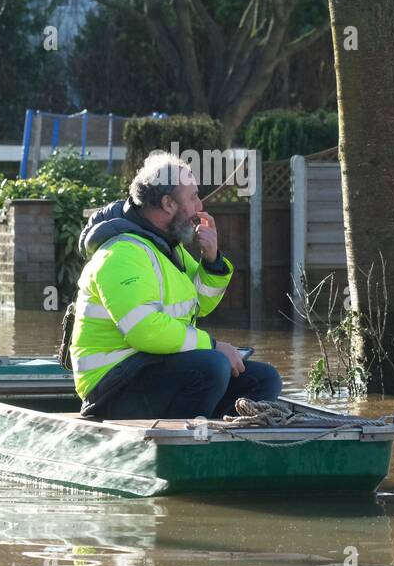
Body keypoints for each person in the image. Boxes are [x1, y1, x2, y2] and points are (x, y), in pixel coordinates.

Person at [70, 152, 283, 420]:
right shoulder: (121, 254)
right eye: (193, 196)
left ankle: (224, 441)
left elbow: (201, 304)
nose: (200, 205)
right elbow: (143, 330)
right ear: (168, 203)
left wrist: (212, 259)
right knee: (213, 365)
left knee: (265, 379)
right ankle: (188, 445)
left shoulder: (168, 248)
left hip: (153, 366)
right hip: (111, 388)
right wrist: (213, 345)